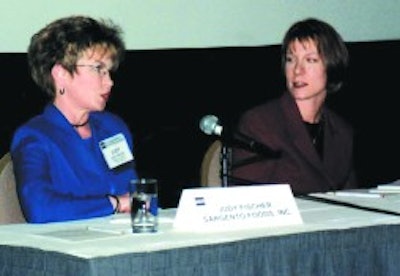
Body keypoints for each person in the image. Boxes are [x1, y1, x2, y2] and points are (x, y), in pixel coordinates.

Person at [11, 15, 138, 223]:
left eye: (109, 71)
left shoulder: (113, 128)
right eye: (98, 69)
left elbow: (134, 193)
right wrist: (114, 204)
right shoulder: (35, 136)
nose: (109, 82)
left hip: (121, 242)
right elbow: (40, 208)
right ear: (60, 74)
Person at [230, 17, 358, 195]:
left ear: (332, 66)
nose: (298, 70)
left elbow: (351, 200)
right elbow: (246, 199)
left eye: (310, 60)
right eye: (291, 60)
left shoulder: (342, 131)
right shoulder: (259, 123)